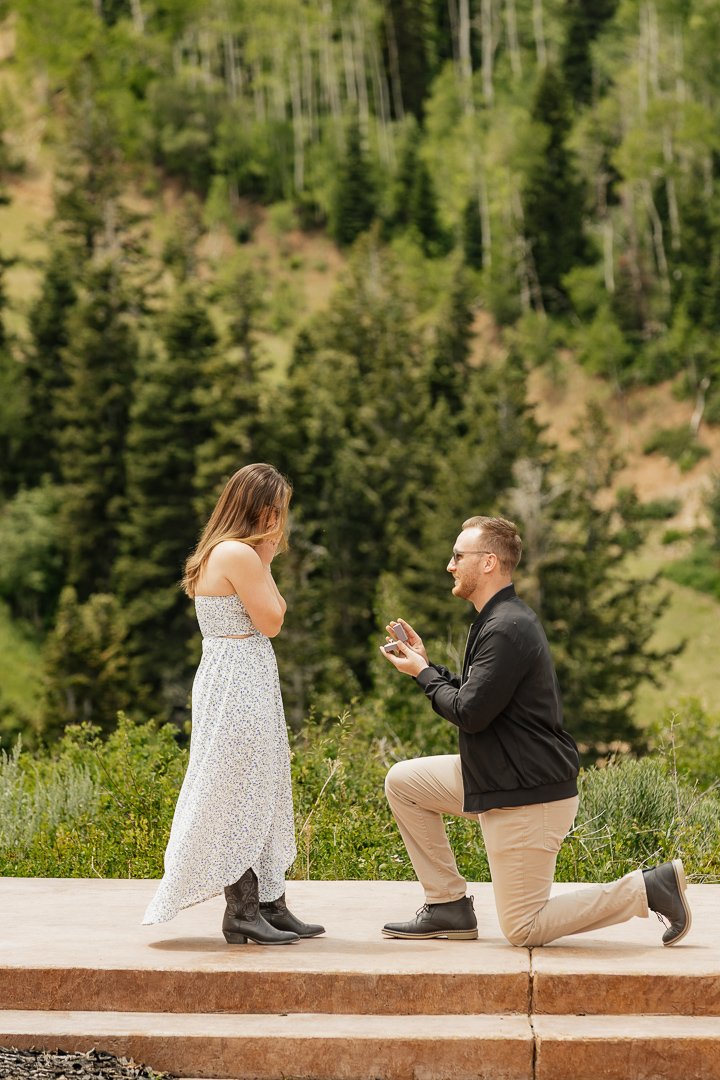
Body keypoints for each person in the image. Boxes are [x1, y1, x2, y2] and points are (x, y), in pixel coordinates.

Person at [379, 515, 691, 948]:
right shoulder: (496, 619)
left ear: (488, 562)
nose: (450, 565)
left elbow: (469, 713)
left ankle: (647, 889)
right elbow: (477, 699)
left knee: (523, 928)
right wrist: (426, 666)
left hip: (529, 792)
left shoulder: (506, 627)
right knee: (404, 783)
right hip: (497, 773)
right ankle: (447, 905)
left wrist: (422, 674)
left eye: (457, 556)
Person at [143, 463, 324, 945]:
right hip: (239, 679)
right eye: (278, 511)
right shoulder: (240, 555)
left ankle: (270, 903)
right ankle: (244, 910)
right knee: (238, 789)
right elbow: (273, 619)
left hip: (236, 675)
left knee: (260, 785)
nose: (281, 523)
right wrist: (265, 560)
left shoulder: (222, 551)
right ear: (262, 510)